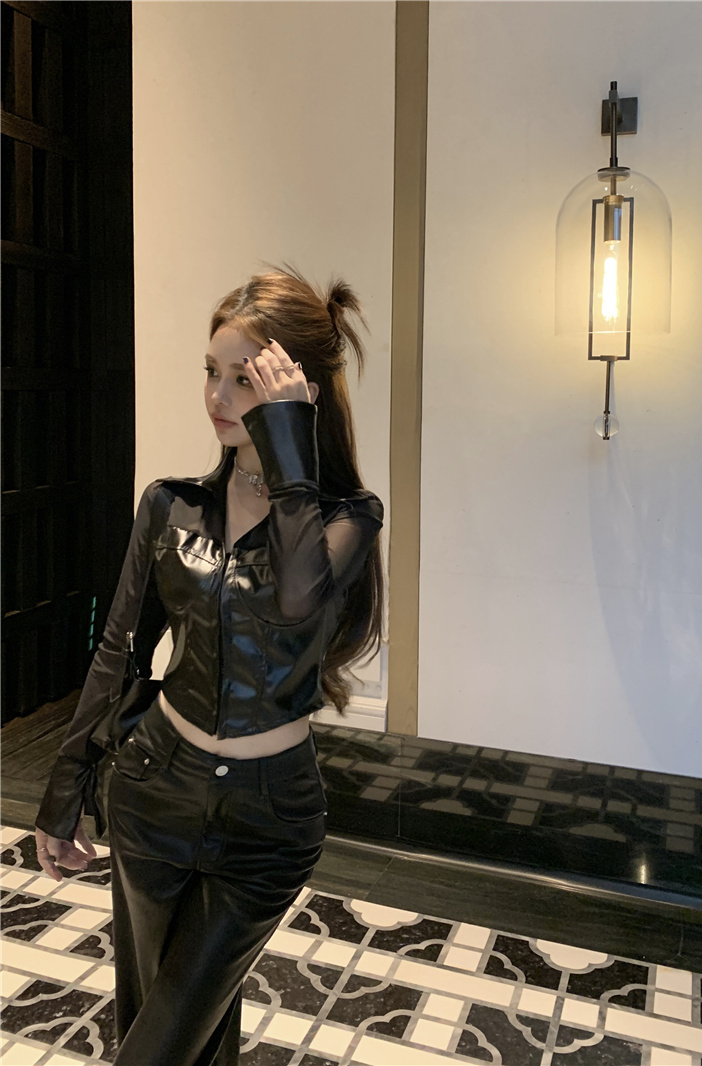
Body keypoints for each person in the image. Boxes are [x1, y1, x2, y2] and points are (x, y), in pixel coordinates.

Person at [33, 266, 385, 1065]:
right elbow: (120, 647)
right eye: (211, 372)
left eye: (244, 379)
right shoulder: (170, 505)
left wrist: (289, 447)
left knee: (160, 1046)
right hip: (153, 793)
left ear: (297, 395)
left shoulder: (349, 518)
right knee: (178, 1032)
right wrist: (66, 785)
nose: (217, 397)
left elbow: (297, 601)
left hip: (269, 823)